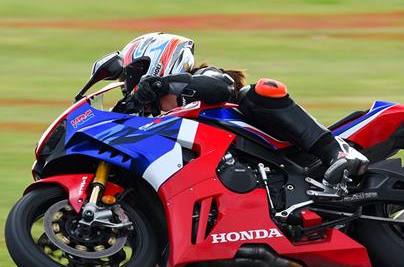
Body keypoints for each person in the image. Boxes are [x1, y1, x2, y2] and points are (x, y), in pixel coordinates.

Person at [118, 32, 368, 186]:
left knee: (257, 93)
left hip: (286, 155)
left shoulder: (205, 76)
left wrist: (164, 84)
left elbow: (220, 89)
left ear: (159, 59)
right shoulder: (163, 122)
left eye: (137, 75)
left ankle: (337, 152)